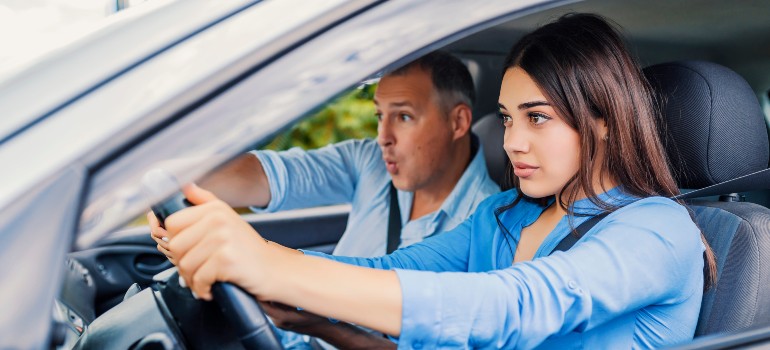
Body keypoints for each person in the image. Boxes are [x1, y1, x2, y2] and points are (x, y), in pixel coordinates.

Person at [151, 13, 717, 348]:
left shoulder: (658, 231)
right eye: (510, 117)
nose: (513, 141)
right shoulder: (502, 216)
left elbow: (508, 309)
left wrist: (276, 268)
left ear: (605, 121)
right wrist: (264, 276)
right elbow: (388, 273)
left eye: (537, 117)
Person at [152, 51, 499, 260]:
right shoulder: (369, 163)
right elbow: (258, 177)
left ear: (458, 122)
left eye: (404, 116)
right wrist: (166, 184)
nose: (383, 137)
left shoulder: (489, 226)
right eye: (380, 115)